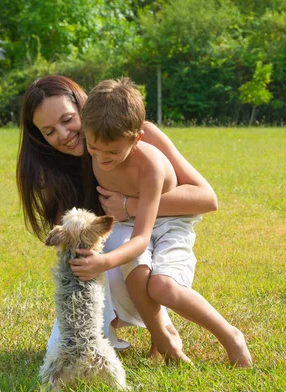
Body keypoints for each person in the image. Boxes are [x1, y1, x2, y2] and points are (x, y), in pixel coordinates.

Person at [17, 75, 218, 361]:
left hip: (148, 241)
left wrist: (130, 205)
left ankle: (159, 329)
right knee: (66, 350)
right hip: (112, 256)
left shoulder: (138, 136)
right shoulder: (52, 173)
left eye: (67, 119)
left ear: (83, 109)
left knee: (127, 254)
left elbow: (206, 198)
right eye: (49, 131)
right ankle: (154, 328)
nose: (62, 134)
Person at [71, 77, 252, 367]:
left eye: (113, 152)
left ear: (137, 137)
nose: (102, 158)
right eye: (94, 149)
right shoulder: (98, 138)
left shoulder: (150, 165)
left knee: (162, 287)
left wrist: (104, 262)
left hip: (168, 222)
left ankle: (231, 336)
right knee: (136, 272)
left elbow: (142, 237)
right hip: (131, 223)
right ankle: (164, 342)